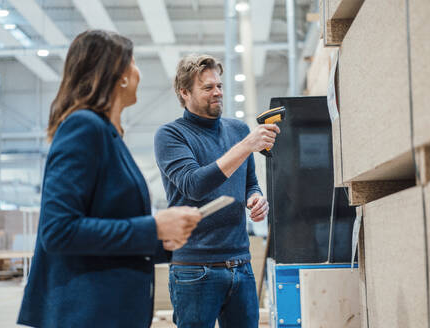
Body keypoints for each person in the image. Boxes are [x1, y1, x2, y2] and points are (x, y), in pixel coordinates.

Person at [17, 30, 202, 328]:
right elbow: (58, 230)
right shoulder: (83, 127)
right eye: (134, 62)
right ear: (120, 75)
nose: (139, 72)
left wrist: (162, 242)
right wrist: (152, 226)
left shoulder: (108, 134)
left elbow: (107, 226)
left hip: (108, 311)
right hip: (85, 312)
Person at [154, 54, 280, 328]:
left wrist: (255, 199)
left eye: (219, 86)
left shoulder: (237, 130)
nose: (218, 93)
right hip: (195, 269)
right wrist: (246, 145)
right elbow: (194, 184)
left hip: (241, 265)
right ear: (184, 92)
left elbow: (250, 183)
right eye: (208, 88)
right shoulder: (171, 135)